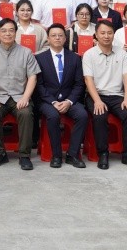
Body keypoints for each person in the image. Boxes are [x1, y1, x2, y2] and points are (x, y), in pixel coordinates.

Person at [81, 20, 127, 170]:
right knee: (100, 115)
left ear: (114, 34)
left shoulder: (122, 53)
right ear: (96, 35)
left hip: (117, 95)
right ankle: (103, 153)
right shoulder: (89, 54)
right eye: (102, 33)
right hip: (97, 95)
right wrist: (97, 101)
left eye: (109, 33)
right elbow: (88, 80)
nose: (106, 36)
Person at [0, 18, 40, 170]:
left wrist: (26, 97)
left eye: (11, 30)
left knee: (26, 113)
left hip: (19, 96)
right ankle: (0, 153)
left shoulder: (26, 52)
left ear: (16, 33)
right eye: (3, 31)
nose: (7, 34)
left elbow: (33, 77)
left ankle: (24, 155)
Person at [36, 24, 88, 168]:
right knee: (53, 116)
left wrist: (69, 101)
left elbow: (79, 84)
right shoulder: (40, 58)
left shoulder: (75, 58)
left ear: (65, 38)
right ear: (48, 39)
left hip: (69, 99)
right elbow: (39, 85)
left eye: (60, 35)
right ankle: (56, 155)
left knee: (82, 115)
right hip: (48, 101)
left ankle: (72, 154)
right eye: (53, 35)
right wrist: (53, 102)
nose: (57, 38)